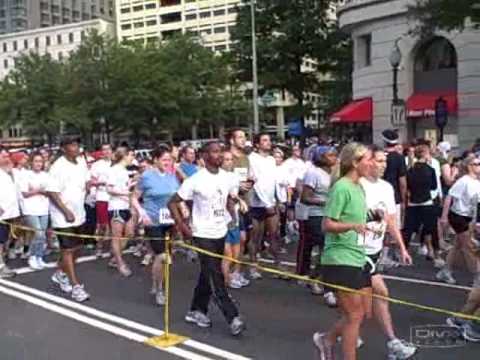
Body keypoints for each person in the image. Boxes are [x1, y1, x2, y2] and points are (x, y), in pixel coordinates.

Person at [168, 141, 245, 336]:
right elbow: (172, 202)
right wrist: (183, 226)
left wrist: (232, 216)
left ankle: (196, 310)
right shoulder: (195, 180)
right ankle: (232, 317)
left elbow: (227, 198)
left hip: (220, 231)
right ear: (204, 156)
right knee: (216, 275)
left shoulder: (227, 178)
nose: (219, 156)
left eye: (221, 152)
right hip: (202, 233)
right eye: (215, 152)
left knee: (207, 273)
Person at [313, 142, 372, 360]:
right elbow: (327, 224)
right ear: (355, 163)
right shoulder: (341, 187)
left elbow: (354, 216)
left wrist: (373, 219)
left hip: (357, 255)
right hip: (339, 258)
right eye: (368, 160)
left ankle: (326, 339)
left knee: (362, 312)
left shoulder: (359, 187)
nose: (372, 164)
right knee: (354, 315)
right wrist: (353, 226)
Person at [359, 146, 417, 359]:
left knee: (362, 307)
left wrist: (402, 247)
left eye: (385, 161)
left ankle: (335, 334)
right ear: (368, 161)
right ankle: (393, 343)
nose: (384, 165)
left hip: (374, 250)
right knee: (378, 295)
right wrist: (373, 215)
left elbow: (391, 220)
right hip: (356, 250)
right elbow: (347, 217)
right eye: (379, 161)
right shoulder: (357, 185)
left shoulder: (386, 187)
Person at [133, 146, 180, 306]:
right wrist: (142, 212)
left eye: (170, 160)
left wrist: (183, 208)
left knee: (166, 256)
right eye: (164, 160)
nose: (168, 163)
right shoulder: (146, 176)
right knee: (162, 256)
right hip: (152, 220)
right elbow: (133, 197)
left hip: (169, 220)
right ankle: (159, 289)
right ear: (156, 160)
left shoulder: (171, 176)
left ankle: (156, 282)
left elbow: (175, 196)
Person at [47, 136, 91, 302]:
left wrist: (87, 187)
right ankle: (75, 286)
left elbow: (86, 181)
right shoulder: (57, 167)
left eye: (77, 143)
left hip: (79, 213)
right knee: (67, 249)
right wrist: (65, 211)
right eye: (72, 144)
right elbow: (52, 191)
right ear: (64, 148)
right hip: (63, 216)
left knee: (78, 247)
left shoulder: (81, 162)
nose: (76, 147)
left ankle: (60, 273)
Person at [300, 145, 337, 306]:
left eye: (335, 155)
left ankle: (318, 277)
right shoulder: (313, 173)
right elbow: (305, 198)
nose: (334, 157)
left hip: (333, 215)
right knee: (325, 249)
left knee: (331, 250)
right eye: (330, 155)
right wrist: (326, 202)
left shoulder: (336, 173)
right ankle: (318, 280)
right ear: (320, 157)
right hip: (317, 215)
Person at [437, 155, 480, 285]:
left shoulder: (476, 182)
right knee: (469, 247)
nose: (479, 166)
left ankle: (445, 271)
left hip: (469, 217)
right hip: (458, 216)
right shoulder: (464, 181)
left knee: (458, 246)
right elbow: (450, 196)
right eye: (476, 164)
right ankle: (477, 277)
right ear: (469, 166)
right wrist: (444, 217)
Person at [248, 133, 278, 279]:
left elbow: (274, 180)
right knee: (256, 236)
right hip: (256, 203)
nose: (268, 143)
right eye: (265, 140)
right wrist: (265, 203)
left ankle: (277, 266)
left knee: (274, 234)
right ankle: (254, 266)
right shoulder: (252, 159)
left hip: (271, 202)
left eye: (269, 140)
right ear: (257, 144)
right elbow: (256, 182)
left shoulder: (272, 160)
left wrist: (278, 199)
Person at [403, 145, 438, 262]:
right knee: (429, 228)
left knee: (409, 229)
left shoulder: (410, 169)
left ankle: (404, 251)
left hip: (412, 202)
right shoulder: (430, 169)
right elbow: (434, 187)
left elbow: (406, 185)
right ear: (425, 154)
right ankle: (430, 250)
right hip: (427, 202)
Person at [228, 129, 253, 287]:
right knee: (234, 240)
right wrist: (237, 186)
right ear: (232, 140)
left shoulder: (245, 158)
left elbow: (247, 178)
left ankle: (237, 272)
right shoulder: (227, 158)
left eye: (245, 137)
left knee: (243, 239)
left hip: (244, 202)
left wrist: (249, 183)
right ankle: (228, 273)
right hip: (230, 204)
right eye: (239, 137)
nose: (243, 140)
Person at [221, 150, 249, 289]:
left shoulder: (233, 177)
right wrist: (239, 200)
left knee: (236, 253)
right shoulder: (218, 177)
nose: (229, 162)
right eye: (226, 159)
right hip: (223, 220)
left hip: (235, 218)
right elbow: (228, 197)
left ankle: (232, 276)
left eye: (231, 159)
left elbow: (236, 193)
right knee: (228, 254)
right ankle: (225, 282)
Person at [107, 147, 136, 277]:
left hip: (126, 205)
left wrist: (130, 185)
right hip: (116, 207)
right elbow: (109, 189)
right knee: (116, 236)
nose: (133, 158)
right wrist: (126, 192)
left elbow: (122, 187)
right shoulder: (114, 170)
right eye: (131, 156)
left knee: (130, 233)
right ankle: (119, 262)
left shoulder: (124, 171)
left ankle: (115, 256)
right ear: (124, 156)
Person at [20, 152, 51, 270]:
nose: (38, 164)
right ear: (31, 163)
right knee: (38, 233)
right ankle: (32, 256)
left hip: (43, 209)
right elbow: (25, 193)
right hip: (30, 209)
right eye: (36, 161)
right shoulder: (26, 175)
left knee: (42, 236)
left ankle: (39, 257)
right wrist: (38, 190)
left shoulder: (46, 175)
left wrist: (37, 190)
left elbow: (49, 192)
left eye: (40, 161)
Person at [90, 143, 113, 257]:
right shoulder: (97, 165)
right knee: (102, 225)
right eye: (104, 150)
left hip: (115, 198)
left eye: (108, 149)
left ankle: (114, 249)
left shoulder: (116, 163)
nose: (106, 152)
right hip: (102, 197)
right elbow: (92, 181)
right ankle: (99, 247)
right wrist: (102, 182)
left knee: (114, 224)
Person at [0, 146, 19, 278]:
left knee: (4, 240)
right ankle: (1, 267)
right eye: (4, 157)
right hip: (1, 214)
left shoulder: (8, 172)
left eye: (8, 156)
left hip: (10, 213)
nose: (7, 159)